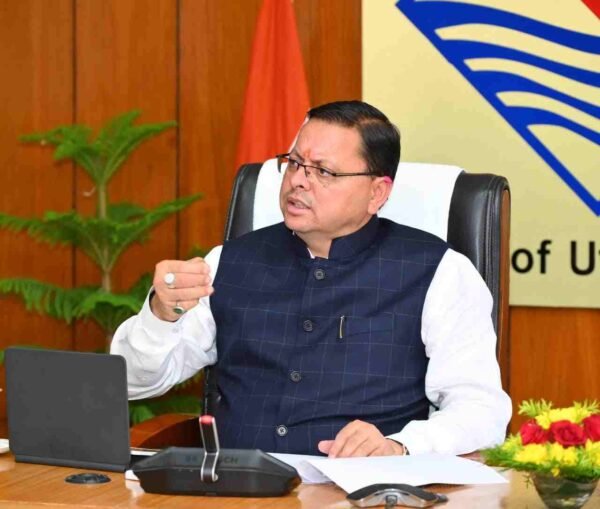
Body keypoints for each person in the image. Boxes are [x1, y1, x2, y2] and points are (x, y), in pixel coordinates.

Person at [111, 100, 511, 458]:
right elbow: (132, 382)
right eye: (294, 163)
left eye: (323, 171)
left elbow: (481, 410)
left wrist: (401, 445)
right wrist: (160, 315)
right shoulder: (228, 262)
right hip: (235, 491)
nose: (298, 181)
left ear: (377, 193)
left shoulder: (439, 272)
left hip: (360, 497)